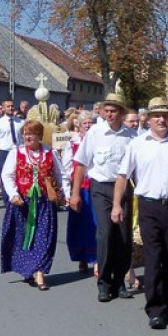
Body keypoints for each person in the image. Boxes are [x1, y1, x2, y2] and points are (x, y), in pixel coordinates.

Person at [113, 98, 168, 329]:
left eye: (165, 115)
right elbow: (122, 176)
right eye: (156, 116)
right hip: (149, 206)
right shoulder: (137, 144)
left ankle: (165, 305)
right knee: (154, 257)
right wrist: (116, 205)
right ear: (148, 119)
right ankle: (154, 309)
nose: (161, 120)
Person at [70, 92, 137, 302]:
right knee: (105, 233)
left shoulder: (132, 136)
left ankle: (120, 281)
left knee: (124, 237)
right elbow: (81, 163)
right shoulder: (95, 133)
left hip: (125, 189)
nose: (109, 114)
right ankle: (104, 283)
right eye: (106, 110)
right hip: (100, 187)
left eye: (113, 111)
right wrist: (75, 192)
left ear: (121, 113)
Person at [0, 120, 62, 290]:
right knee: (23, 238)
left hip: (43, 202)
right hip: (22, 202)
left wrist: (66, 194)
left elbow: (60, 173)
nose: (27, 137)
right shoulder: (16, 153)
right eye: (25, 134)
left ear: (39, 136)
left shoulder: (50, 152)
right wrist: (13, 193)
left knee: (44, 236)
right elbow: (7, 175)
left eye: (31, 133)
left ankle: (39, 273)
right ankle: (29, 270)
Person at [62, 110, 98, 272]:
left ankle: (97, 259)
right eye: (85, 123)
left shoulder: (99, 141)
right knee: (81, 226)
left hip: (96, 187)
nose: (88, 126)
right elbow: (66, 168)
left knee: (97, 224)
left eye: (91, 122)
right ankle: (82, 257)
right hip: (80, 189)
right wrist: (68, 193)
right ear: (80, 125)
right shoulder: (73, 143)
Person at [0, 100, 24, 205]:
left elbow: (22, 139)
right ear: (3, 108)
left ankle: (18, 197)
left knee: (19, 175)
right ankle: (7, 200)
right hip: (4, 152)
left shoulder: (20, 122)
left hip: (17, 151)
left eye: (12, 106)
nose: (10, 108)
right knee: (5, 176)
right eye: (8, 106)